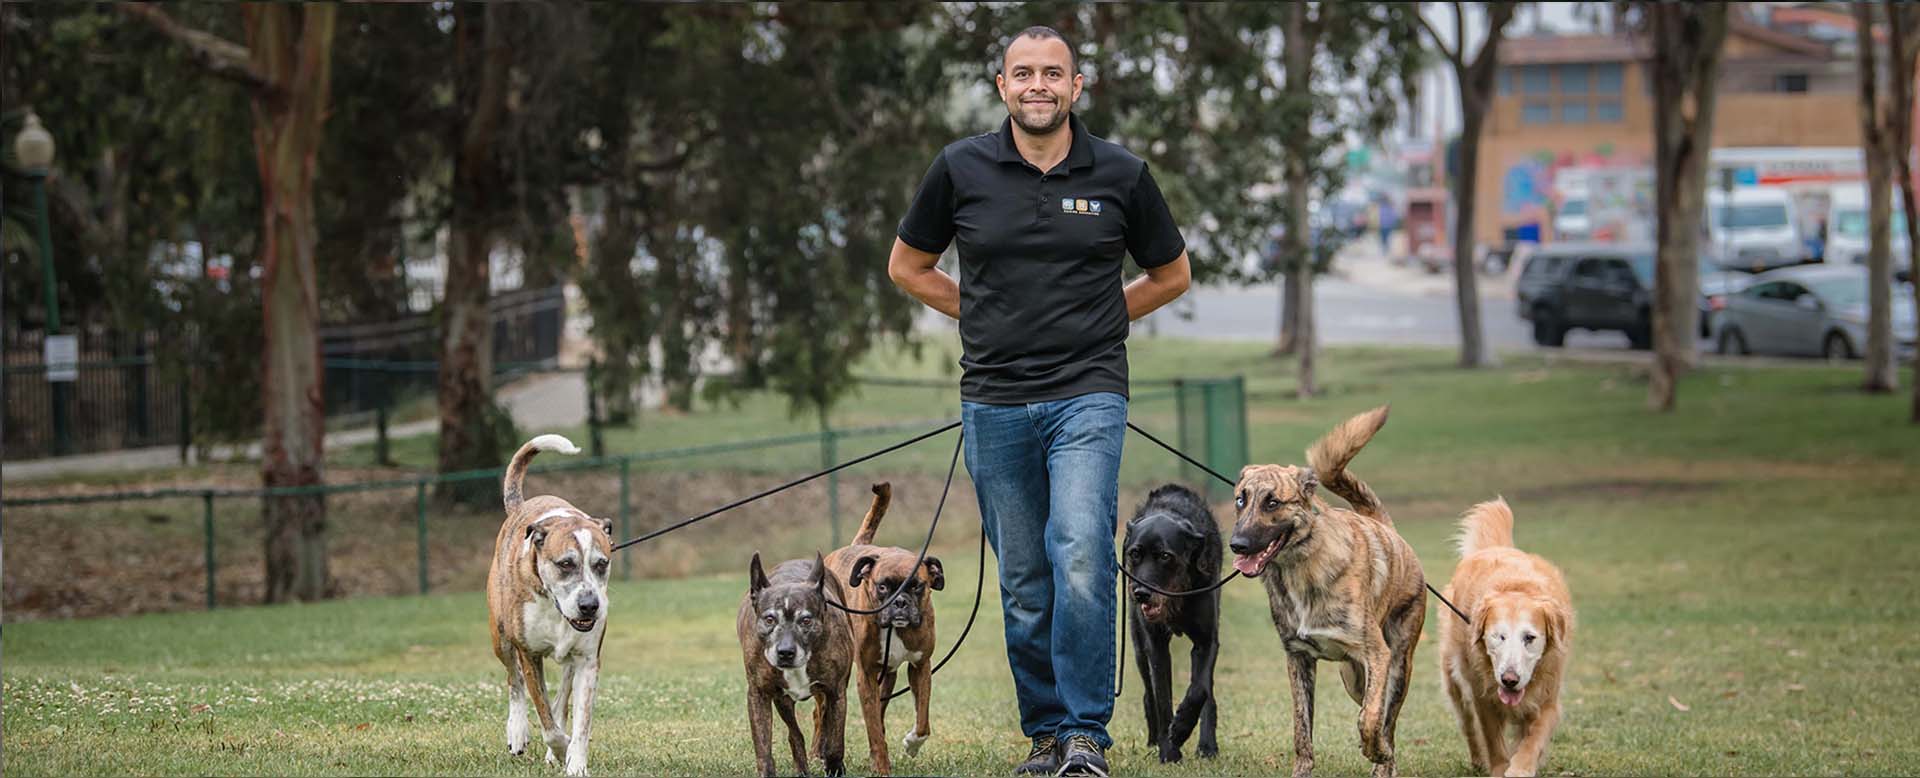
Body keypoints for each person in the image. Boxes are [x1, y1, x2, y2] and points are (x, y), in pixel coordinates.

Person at [886, 25, 1191, 778]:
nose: (1038, 86)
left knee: (1082, 552)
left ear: (1076, 86)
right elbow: (908, 266)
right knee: (1025, 577)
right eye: (1023, 73)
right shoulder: (960, 168)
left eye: (1053, 73)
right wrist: (981, 315)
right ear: (1002, 86)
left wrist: (1099, 320)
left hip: (1088, 393)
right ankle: (1047, 733)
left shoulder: (1120, 173)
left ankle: (1087, 735)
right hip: (995, 399)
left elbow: (1171, 273)